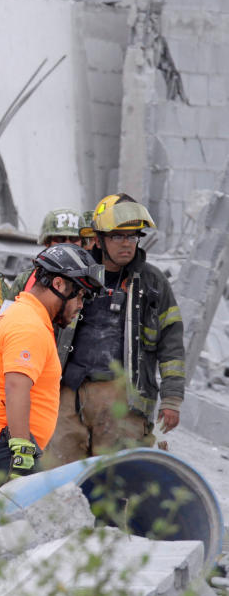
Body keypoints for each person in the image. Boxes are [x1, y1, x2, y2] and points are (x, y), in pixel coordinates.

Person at [44, 194, 186, 466]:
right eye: (118, 236)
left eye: (132, 237)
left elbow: (172, 343)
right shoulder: (76, 275)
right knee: (57, 475)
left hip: (124, 401)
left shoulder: (152, 283)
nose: (126, 243)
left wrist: (172, 399)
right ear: (98, 240)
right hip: (69, 394)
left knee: (115, 481)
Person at [0, 244, 104, 493]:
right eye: (80, 295)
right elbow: (15, 386)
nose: (81, 305)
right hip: (0, 445)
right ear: (59, 284)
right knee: (34, 522)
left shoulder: (21, 316)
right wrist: (22, 449)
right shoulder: (28, 325)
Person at [7, 208, 85, 297]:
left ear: (82, 243)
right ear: (47, 243)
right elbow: (11, 310)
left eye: (74, 239)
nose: (67, 245)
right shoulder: (25, 280)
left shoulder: (93, 282)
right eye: (59, 239)